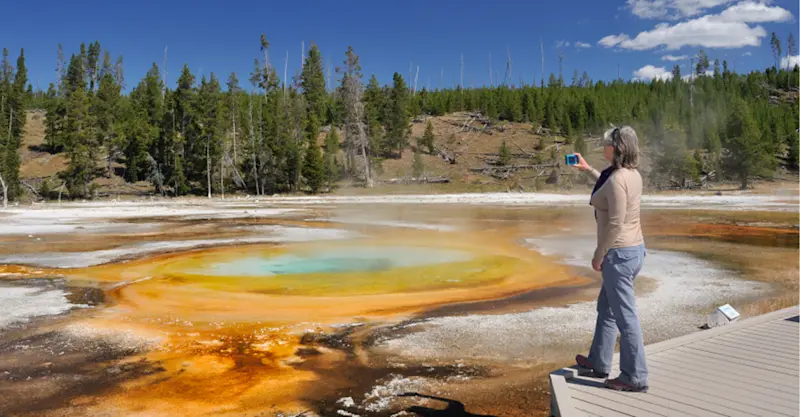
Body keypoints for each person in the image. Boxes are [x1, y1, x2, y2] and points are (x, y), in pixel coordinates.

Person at [570, 126, 648, 392]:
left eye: (605, 144)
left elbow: (615, 223)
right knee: (607, 308)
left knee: (626, 318)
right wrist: (588, 170)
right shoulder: (630, 175)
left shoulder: (616, 180)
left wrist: (598, 254)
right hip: (634, 250)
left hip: (618, 253)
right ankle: (598, 362)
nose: (602, 147)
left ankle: (634, 376)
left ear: (616, 149)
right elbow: (609, 191)